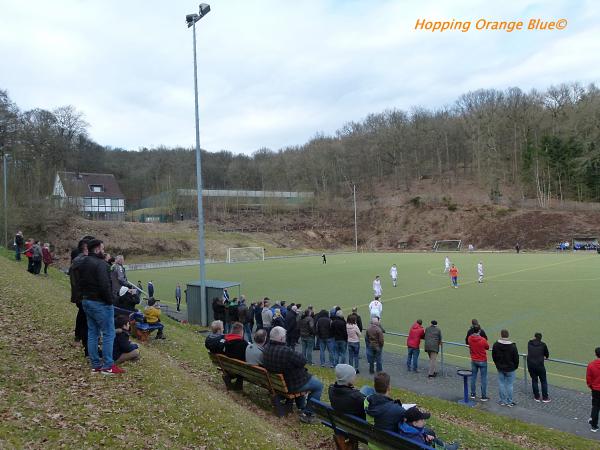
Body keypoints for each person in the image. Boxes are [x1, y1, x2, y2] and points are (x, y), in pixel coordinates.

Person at [79, 239, 124, 374]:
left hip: (87, 301)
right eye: (103, 249)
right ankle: (108, 365)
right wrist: (111, 300)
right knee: (109, 333)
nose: (104, 251)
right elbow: (105, 285)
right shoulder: (101, 264)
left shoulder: (83, 262)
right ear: (97, 249)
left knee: (92, 332)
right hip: (100, 303)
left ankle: (96, 364)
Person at [262, 326, 324, 424]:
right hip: (291, 384)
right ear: (282, 338)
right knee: (319, 385)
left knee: (305, 377)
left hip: (277, 383)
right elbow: (303, 360)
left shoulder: (266, 348)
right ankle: (308, 414)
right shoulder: (286, 351)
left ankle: (301, 406)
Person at [492, 329, 519, 407]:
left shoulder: (496, 344)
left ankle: (502, 401)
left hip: (500, 367)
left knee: (501, 384)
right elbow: (516, 358)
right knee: (510, 385)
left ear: (501, 335)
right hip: (510, 368)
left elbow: (494, 356)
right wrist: (515, 366)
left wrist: (497, 364)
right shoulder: (513, 346)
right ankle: (509, 402)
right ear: (508, 335)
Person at [223, 322, 249, 390]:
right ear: (241, 332)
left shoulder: (226, 341)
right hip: (240, 369)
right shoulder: (243, 344)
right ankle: (238, 385)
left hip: (228, 366)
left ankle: (229, 377)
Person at [467, 325, 489, 401]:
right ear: (479, 331)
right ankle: (483, 396)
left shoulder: (470, 338)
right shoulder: (482, 340)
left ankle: (473, 394)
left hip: (474, 360)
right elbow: (487, 347)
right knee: (483, 378)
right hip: (482, 360)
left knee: (473, 377)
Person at [527, 333, 550, 402]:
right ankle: (545, 398)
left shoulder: (529, 343)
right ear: (541, 338)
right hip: (539, 366)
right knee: (543, 381)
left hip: (531, 365)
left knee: (534, 380)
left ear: (534, 337)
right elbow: (547, 354)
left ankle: (536, 397)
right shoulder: (543, 345)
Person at [586, 347, 600, 433]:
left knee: (595, 407)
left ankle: (594, 426)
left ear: (596, 354)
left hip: (595, 390)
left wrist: (591, 386)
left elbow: (588, 379)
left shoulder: (591, 365)